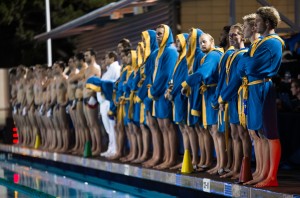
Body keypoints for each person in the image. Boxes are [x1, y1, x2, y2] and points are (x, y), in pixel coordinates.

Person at [238, 7, 285, 187]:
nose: (255, 25)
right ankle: (262, 172)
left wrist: (247, 61)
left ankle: (271, 176)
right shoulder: (262, 43)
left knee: (270, 133)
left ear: (267, 22)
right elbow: (242, 68)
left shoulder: (273, 42)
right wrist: (247, 62)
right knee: (260, 133)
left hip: (263, 87)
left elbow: (251, 66)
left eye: (257, 21)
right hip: (255, 88)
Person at [182, 33, 224, 175]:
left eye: (204, 42)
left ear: (212, 41)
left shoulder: (213, 55)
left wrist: (186, 83)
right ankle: (219, 164)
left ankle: (221, 165)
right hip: (209, 93)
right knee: (214, 131)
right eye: (200, 43)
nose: (202, 45)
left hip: (214, 93)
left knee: (217, 131)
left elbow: (203, 73)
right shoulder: (209, 55)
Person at [217, 24, 250, 180]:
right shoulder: (232, 54)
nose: (231, 37)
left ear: (242, 36)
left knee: (242, 134)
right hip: (231, 98)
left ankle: (244, 168)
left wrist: (222, 97)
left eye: (235, 35)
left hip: (239, 97)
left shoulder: (243, 54)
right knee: (235, 134)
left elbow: (236, 80)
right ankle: (235, 167)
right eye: (230, 35)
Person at [148, 24, 178, 169]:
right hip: (157, 94)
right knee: (162, 126)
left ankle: (171, 158)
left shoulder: (170, 51)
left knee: (167, 126)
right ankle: (165, 156)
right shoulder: (159, 52)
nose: (157, 37)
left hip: (163, 93)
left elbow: (166, 74)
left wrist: (154, 90)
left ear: (167, 34)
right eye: (157, 34)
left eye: (160, 34)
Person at [164, 33, 189, 169]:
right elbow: (175, 79)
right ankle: (187, 159)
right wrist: (170, 88)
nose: (177, 44)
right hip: (176, 97)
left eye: (179, 42)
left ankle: (192, 159)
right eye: (176, 42)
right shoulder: (180, 59)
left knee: (188, 129)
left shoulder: (185, 59)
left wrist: (172, 91)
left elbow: (183, 80)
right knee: (183, 129)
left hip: (182, 97)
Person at [98, 51, 120, 157]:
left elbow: (114, 84)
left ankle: (115, 149)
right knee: (109, 128)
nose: (105, 60)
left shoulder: (115, 68)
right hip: (104, 103)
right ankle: (111, 148)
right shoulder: (108, 70)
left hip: (109, 102)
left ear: (112, 58)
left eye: (106, 58)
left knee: (112, 127)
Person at [82, 48, 102, 156]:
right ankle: (93, 146)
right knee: (89, 124)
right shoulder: (86, 69)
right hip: (85, 99)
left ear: (93, 56)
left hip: (91, 98)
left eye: (87, 55)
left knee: (94, 124)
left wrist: (93, 97)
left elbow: (97, 83)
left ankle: (98, 147)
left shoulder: (96, 68)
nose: (85, 57)